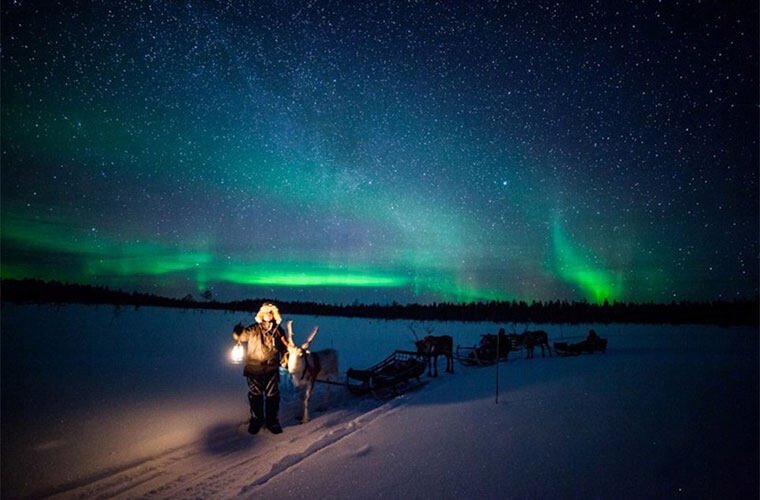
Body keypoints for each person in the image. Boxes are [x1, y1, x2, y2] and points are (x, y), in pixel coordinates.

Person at [232, 303, 289, 434]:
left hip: (271, 369)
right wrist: (238, 332)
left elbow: (284, 347)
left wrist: (287, 357)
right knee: (255, 395)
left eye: (270, 312)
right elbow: (242, 336)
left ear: (274, 315)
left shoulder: (279, 331)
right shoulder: (253, 329)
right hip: (254, 369)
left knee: (272, 395)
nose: (268, 315)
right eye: (265, 312)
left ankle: (272, 421)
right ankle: (257, 420)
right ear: (261, 315)